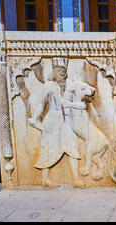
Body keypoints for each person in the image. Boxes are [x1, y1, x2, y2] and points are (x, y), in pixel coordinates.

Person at [28, 58, 83, 188]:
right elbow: (42, 105)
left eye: (64, 70)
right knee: (49, 148)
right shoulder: (49, 86)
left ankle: (75, 179)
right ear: (54, 72)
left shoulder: (69, 85)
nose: (62, 73)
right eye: (59, 70)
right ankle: (45, 179)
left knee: (72, 145)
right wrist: (34, 119)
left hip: (66, 121)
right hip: (52, 120)